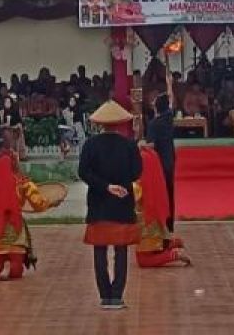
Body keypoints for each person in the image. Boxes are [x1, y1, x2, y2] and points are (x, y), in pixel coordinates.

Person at [78, 100, 142, 311]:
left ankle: (104, 295)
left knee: (100, 250)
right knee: (121, 250)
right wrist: (118, 185)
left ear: (100, 123)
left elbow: (83, 172)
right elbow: (136, 173)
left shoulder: (90, 145)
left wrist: (105, 186)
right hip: (122, 203)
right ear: (119, 123)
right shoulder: (129, 145)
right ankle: (116, 295)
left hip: (98, 203)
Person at [0, 135, 56, 281]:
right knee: (16, 269)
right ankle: (8, 268)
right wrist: (50, 203)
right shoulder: (22, 183)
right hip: (14, 227)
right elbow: (38, 202)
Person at [133, 143, 189, 269]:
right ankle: (169, 243)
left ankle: (174, 254)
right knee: (151, 248)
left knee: (143, 260)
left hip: (147, 218)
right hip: (154, 214)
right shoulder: (149, 155)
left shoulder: (141, 159)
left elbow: (136, 191)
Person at [144, 93, 176, 231]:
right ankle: (170, 224)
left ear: (156, 107)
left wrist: (140, 145)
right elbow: (171, 102)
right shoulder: (169, 118)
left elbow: (150, 145)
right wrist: (169, 85)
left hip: (158, 163)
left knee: (159, 194)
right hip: (170, 160)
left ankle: (160, 222)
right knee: (169, 192)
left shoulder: (154, 124)